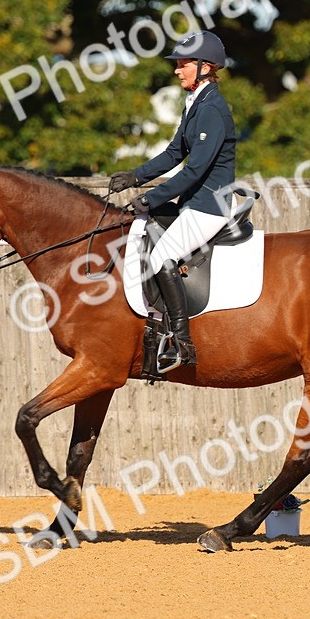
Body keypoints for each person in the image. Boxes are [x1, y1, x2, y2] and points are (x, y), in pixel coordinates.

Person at [108, 30, 238, 368]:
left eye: (183, 64)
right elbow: (173, 153)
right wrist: (135, 176)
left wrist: (150, 199)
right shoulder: (196, 104)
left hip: (211, 206)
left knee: (163, 254)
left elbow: (193, 172)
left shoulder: (213, 110)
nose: (177, 70)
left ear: (205, 67)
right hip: (193, 204)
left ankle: (181, 341)